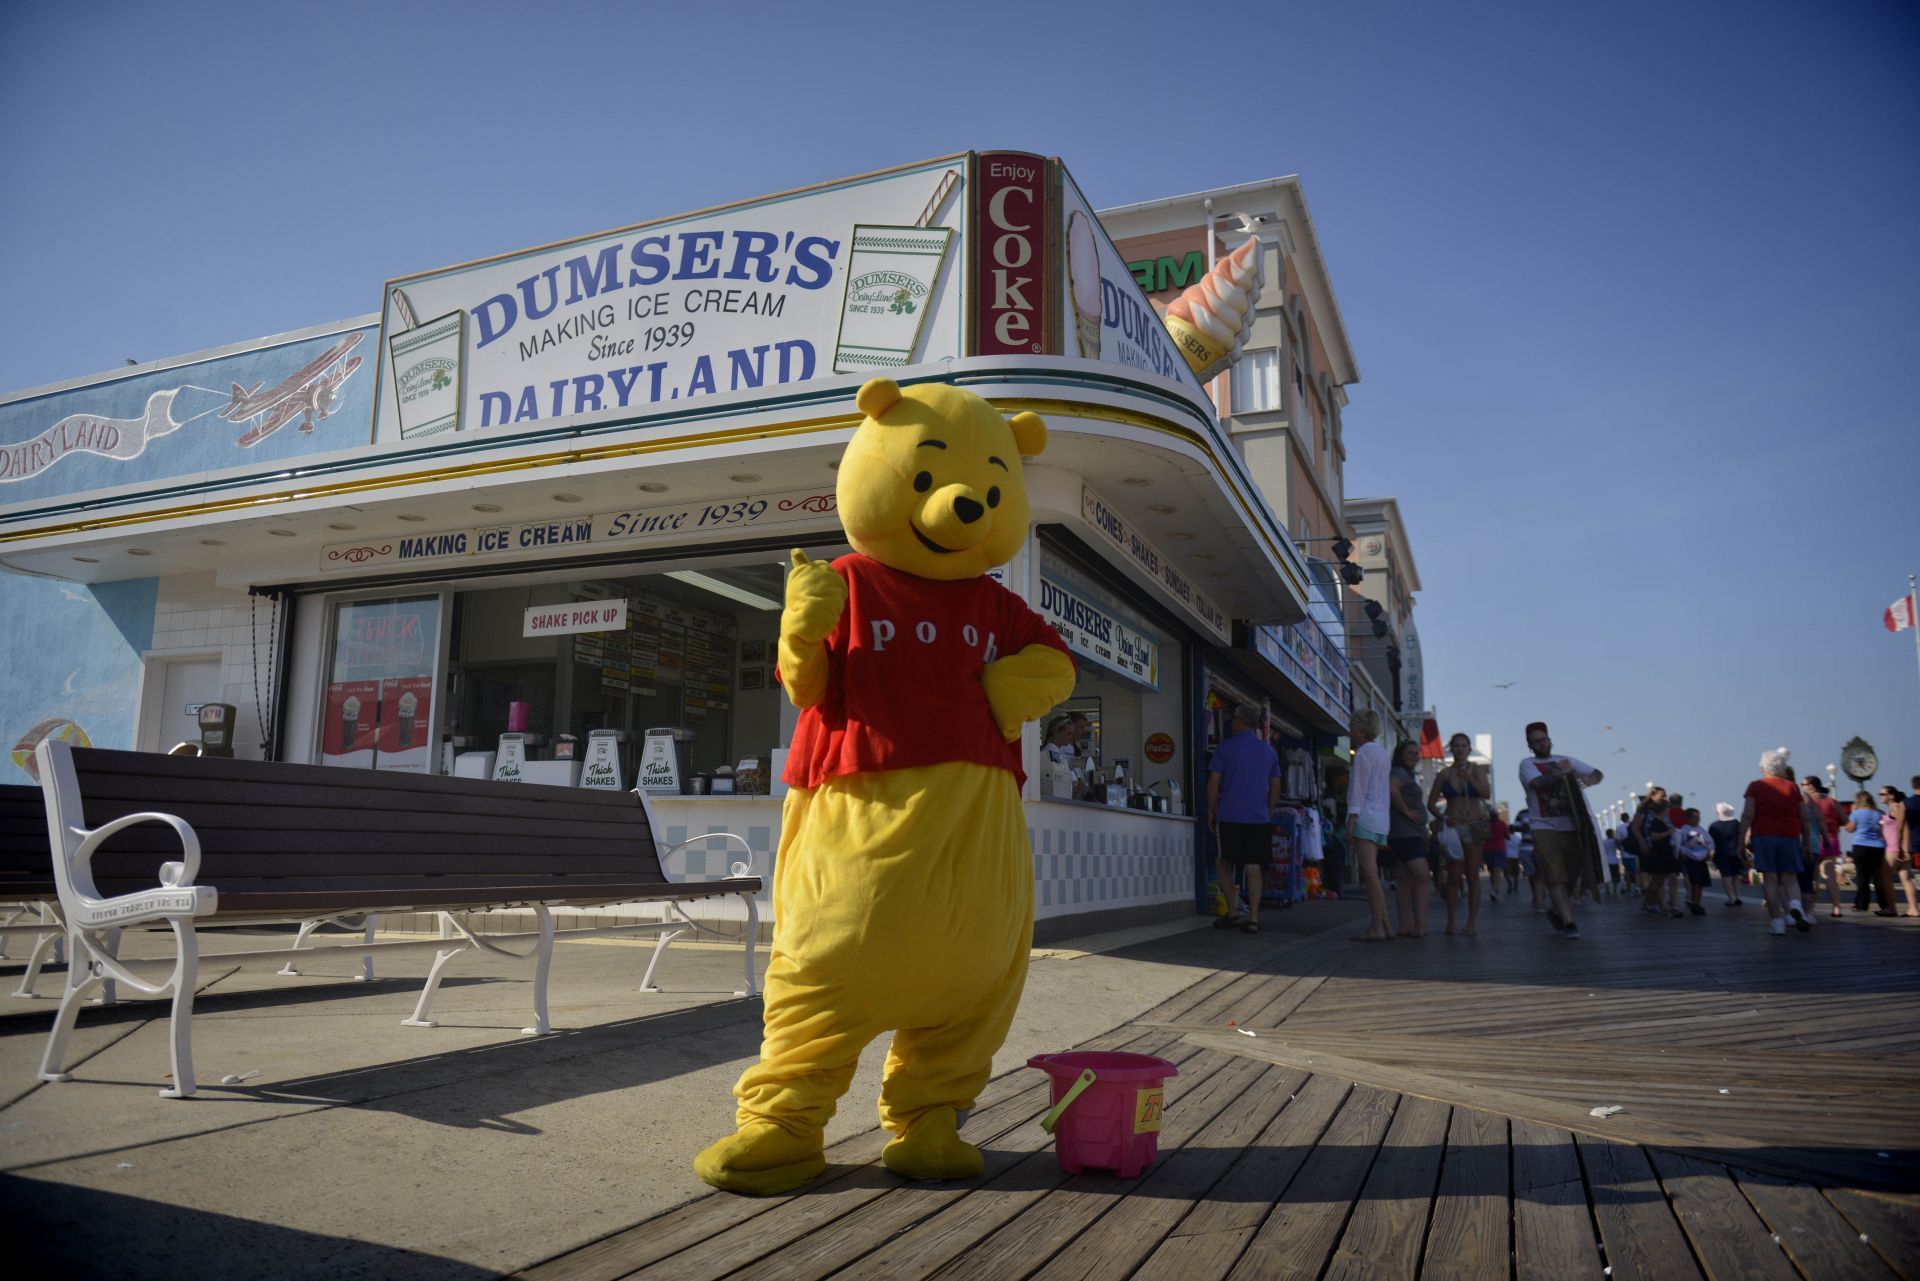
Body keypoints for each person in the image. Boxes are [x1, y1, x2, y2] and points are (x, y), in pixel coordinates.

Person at [1516, 721, 1603, 940]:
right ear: (1530, 745)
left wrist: (1587, 779)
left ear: (1550, 740)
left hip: (1571, 825)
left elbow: (1597, 773)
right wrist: (1565, 774)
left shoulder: (1567, 760)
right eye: (1536, 741)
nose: (1541, 744)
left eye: (1544, 739)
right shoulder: (1527, 764)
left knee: (1572, 875)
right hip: (1543, 826)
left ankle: (1557, 911)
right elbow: (1536, 784)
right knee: (1556, 877)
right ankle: (1569, 921)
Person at [1206, 705, 1282, 935]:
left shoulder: (1226, 747)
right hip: (1258, 818)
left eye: (1234, 717)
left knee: (1223, 861)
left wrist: (1211, 810)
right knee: (1253, 865)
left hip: (1229, 815)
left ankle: (1233, 912)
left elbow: (1214, 781)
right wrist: (1268, 810)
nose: (1231, 722)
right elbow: (1276, 785)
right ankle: (1254, 918)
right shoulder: (1268, 751)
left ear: (1241, 721)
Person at [1743, 750, 1813, 934]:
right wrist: (1806, 842)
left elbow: (1748, 814)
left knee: (1771, 879)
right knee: (1790, 878)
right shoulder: (1792, 787)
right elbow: (1804, 817)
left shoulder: (1755, 786)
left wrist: (1740, 839)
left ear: (1762, 767)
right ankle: (1796, 908)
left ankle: (1777, 923)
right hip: (1790, 835)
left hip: (1764, 835)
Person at [1428, 733, 1489, 934]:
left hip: (1474, 825)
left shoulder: (1477, 769)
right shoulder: (1444, 774)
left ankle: (1471, 922)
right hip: (1453, 827)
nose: (1460, 749)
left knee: (1472, 875)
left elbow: (1485, 793)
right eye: (1456, 745)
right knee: (1453, 876)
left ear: (1469, 749)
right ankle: (1451, 921)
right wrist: (1443, 817)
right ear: (1451, 749)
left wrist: (1469, 778)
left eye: (1463, 745)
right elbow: (1431, 803)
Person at [1344, 708, 1394, 942]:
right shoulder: (1383, 753)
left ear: (1361, 728)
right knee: (1373, 872)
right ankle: (1384, 924)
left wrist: (1351, 820)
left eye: (1353, 725)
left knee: (1370, 874)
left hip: (1365, 817)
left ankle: (1377, 927)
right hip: (1381, 818)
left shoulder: (1363, 753)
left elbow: (1358, 790)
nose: (1350, 730)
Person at [1388, 740, 1432, 937]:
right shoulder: (1399, 772)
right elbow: (1391, 789)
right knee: (1422, 876)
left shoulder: (1406, 774)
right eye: (1410, 752)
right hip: (1405, 833)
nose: (1414, 755)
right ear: (1401, 754)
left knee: (1405, 879)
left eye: (1417, 752)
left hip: (1407, 832)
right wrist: (1406, 811)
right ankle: (1420, 926)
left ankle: (1405, 926)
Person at [1800, 776, 1846, 918]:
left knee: (1813, 878)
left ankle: (1810, 909)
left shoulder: (1806, 801)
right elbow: (1844, 821)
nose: (1801, 786)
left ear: (1812, 786)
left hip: (1814, 841)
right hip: (1832, 841)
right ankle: (1837, 908)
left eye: (1804, 784)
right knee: (1830, 876)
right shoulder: (1832, 802)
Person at [1632, 787, 1681, 918]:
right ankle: (1656, 905)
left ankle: (1664, 905)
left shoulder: (1663, 810)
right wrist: (1642, 843)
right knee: (1658, 878)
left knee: (1665, 878)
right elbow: (1635, 827)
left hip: (1666, 847)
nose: (1664, 797)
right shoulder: (1644, 810)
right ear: (1652, 795)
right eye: (1662, 795)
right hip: (1652, 847)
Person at [1846, 790, 1896, 916]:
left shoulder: (1856, 813)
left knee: (1862, 877)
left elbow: (1849, 829)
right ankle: (1884, 905)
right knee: (1878, 878)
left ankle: (1862, 905)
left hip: (1860, 846)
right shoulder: (1879, 813)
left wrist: (1852, 814)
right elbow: (1883, 829)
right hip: (1878, 847)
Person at [1042, 712, 1091, 800]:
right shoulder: (1051, 752)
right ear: (1056, 732)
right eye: (1068, 734)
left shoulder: (1056, 752)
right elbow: (1058, 778)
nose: (1070, 737)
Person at [1675, 807, 1713, 915]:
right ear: (1687, 818)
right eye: (1695, 817)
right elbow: (1679, 845)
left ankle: (1698, 902)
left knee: (1701, 882)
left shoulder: (1701, 830)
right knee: (1695, 882)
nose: (1698, 819)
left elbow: (1710, 842)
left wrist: (1708, 852)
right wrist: (1683, 852)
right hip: (1690, 859)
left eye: (1698, 817)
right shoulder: (1683, 830)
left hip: (1701, 859)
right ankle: (1694, 902)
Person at [1708, 801, 1747, 906]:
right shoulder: (1736, 824)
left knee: (1726, 876)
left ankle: (1731, 898)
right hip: (1736, 852)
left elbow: (1711, 842)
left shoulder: (1714, 826)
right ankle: (1738, 896)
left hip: (1721, 853)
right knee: (1736, 875)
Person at [1897, 777, 1919, 918]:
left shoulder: (1906, 803)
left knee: (1906, 876)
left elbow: (1900, 827)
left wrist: (1900, 846)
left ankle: (1913, 908)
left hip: (1913, 844)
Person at [1482, 806, 1510, 903]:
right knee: (1497, 870)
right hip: (1499, 849)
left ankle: (1494, 890)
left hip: (1487, 849)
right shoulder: (1502, 824)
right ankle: (1495, 890)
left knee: (1492, 872)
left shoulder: (1486, 824)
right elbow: (1508, 837)